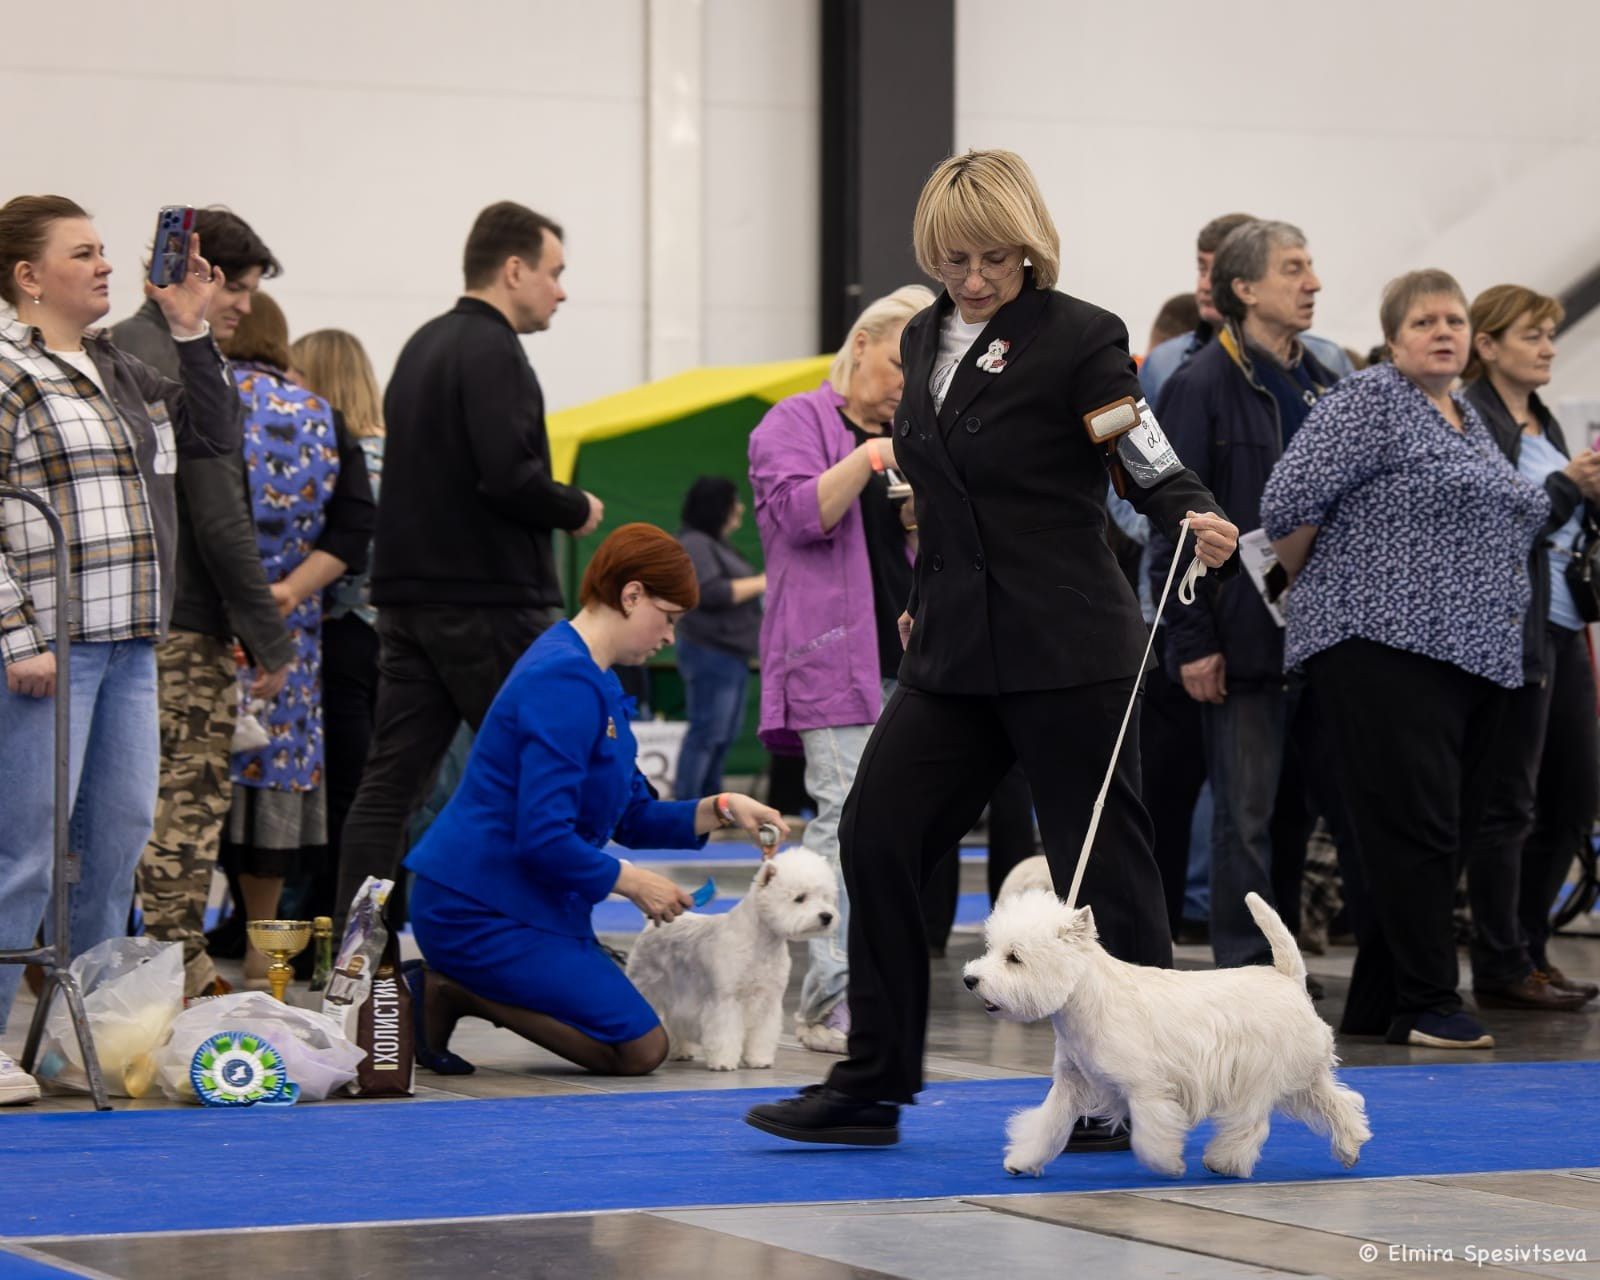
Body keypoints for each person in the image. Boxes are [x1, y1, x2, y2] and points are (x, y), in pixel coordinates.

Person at [745, 150, 1237, 1147]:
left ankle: (1137, 1090)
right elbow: (937, 493)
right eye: (954, 257)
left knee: (1106, 876)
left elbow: (1130, 445)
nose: (972, 277)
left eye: (993, 258)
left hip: (1068, 642)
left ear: (1029, 248)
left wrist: (1189, 509)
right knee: (875, 833)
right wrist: (925, 598)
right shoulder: (921, 337)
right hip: (954, 652)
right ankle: (872, 1081)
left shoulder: (1079, 337)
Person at [1261, 269, 1550, 1050]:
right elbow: (1287, 503)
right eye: (1425, 322)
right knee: (1414, 827)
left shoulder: (1467, 416)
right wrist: (1335, 590)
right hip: (1381, 645)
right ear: (1393, 339)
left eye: (1455, 319)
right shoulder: (1369, 400)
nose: (1445, 332)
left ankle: (1381, 1003)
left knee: (1441, 831)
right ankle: (1428, 1001)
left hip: (1479, 656)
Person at [0, 195, 241, 1102]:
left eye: (106, 251)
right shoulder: (6, 373)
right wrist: (18, 636)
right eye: (84, 253)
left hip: (134, 642)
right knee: (23, 848)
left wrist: (188, 331)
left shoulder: (112, 364)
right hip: (45, 651)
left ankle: (77, 1037)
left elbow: (214, 440)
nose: (108, 266)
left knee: (116, 842)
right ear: (29, 277)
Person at [404, 524, 787, 1076]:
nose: (670, 638)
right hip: (477, 908)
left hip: (527, 901)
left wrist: (723, 808)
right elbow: (542, 837)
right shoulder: (562, 678)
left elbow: (629, 814)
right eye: (670, 618)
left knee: (635, 1039)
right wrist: (635, 881)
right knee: (639, 1049)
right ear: (631, 595)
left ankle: (469, 985)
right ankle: (452, 989)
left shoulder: (594, 677)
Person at [334, 202, 604, 924]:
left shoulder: (422, 345)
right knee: (550, 771)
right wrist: (574, 506)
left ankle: (361, 961)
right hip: (486, 600)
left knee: (391, 785)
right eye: (555, 273)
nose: (562, 291)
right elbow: (507, 478)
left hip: (407, 601)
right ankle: (556, 942)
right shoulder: (495, 352)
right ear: (513, 270)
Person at [1148, 220, 1344, 973]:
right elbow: (1174, 520)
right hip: (1240, 636)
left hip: (1314, 634)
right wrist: (1192, 641)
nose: (1313, 282)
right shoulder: (1198, 385)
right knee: (1244, 818)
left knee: (1293, 815)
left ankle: (1281, 967)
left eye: (1311, 265)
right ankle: (1243, 969)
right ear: (1244, 288)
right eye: (1294, 268)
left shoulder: (1319, 378)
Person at [114, 207, 293, 1000]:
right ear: (200, 277)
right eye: (239, 288)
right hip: (181, 624)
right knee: (184, 814)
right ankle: (173, 980)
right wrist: (270, 637)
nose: (248, 307)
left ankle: (104, 977)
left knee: (114, 816)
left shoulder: (113, 346)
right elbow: (220, 518)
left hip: (124, 620)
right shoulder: (183, 360)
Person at [748, 283, 930, 1053]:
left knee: (886, 830)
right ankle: (826, 1000)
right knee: (842, 822)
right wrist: (867, 457)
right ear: (860, 345)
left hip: (907, 662)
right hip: (830, 662)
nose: (902, 382)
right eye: (897, 362)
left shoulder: (908, 435)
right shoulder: (793, 422)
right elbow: (798, 515)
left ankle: (865, 987)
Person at [219, 294, 374, 982]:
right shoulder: (321, 419)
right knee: (274, 798)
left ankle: (177, 958)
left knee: (186, 798)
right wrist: (290, 591)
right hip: (295, 643)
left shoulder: (199, 397)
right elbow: (355, 529)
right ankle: (264, 955)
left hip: (198, 630)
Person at [1460, 284, 1600, 1010]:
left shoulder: (1539, 416)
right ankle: (1501, 960)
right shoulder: (1473, 419)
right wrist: (1569, 486)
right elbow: (1500, 521)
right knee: (1510, 802)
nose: (1549, 345)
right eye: (1533, 334)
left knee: (1575, 795)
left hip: (1568, 622)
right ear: (1488, 346)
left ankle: (1530, 948)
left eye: (1550, 333)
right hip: (1513, 626)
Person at [288, 328, 387, 924]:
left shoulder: (335, 459)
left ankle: (326, 924)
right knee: (378, 788)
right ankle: (364, 921)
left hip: (341, 631)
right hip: (394, 639)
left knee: (340, 791)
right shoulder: (401, 456)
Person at [1139, 212, 1352, 407]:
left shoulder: (1327, 359)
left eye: (1219, 272)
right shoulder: (1163, 363)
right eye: (1202, 269)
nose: (1205, 285)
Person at [671, 476, 764, 801]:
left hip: (731, 654)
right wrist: (765, 581)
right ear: (718, 507)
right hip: (710, 652)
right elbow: (711, 591)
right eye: (734, 500)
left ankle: (709, 801)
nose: (740, 507)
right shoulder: (696, 543)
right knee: (708, 731)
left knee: (722, 733)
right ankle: (688, 803)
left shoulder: (717, 544)